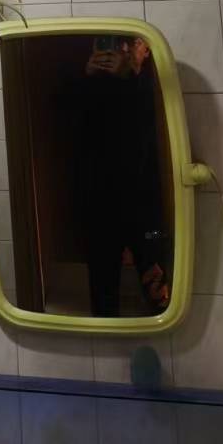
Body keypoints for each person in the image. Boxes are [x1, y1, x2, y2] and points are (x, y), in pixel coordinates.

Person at [79, 36, 169, 317]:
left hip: (148, 209)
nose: (122, 51)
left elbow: (151, 127)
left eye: (130, 44)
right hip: (102, 204)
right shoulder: (96, 85)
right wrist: (87, 78)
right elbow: (73, 125)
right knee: (103, 288)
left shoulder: (153, 80)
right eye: (110, 45)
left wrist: (134, 75)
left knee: (159, 284)